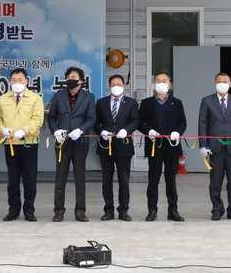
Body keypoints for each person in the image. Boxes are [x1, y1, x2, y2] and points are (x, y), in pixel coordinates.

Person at [0, 68, 45, 221]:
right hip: (10, 143)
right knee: (13, 179)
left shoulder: (35, 98)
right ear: (10, 82)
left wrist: (25, 130)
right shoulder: (3, 99)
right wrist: (2, 129)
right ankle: (13, 210)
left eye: (20, 80)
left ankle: (29, 211)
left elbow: (38, 119)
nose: (17, 83)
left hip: (28, 143)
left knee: (29, 179)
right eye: (14, 80)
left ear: (26, 81)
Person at [46, 66, 96, 222]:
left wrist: (81, 130)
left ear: (81, 80)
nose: (70, 80)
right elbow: (51, 117)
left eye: (73, 77)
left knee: (80, 177)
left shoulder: (89, 97)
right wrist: (55, 131)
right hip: (62, 143)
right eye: (68, 77)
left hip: (80, 141)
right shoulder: (58, 96)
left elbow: (91, 118)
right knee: (60, 177)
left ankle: (80, 210)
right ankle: (59, 211)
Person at [198, 72, 231, 221]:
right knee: (215, 181)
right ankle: (217, 209)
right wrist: (203, 145)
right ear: (215, 84)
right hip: (215, 148)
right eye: (219, 82)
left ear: (230, 84)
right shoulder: (207, 101)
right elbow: (203, 124)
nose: (222, 84)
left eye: (225, 82)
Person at [137, 71, 187, 222]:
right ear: (154, 84)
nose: (161, 83)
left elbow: (182, 122)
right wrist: (148, 131)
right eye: (158, 80)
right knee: (153, 179)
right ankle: (152, 210)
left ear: (169, 84)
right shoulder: (146, 103)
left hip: (171, 146)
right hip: (154, 146)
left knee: (171, 180)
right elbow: (139, 122)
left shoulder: (176, 102)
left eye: (164, 80)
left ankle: (173, 211)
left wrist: (178, 133)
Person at [94, 74, 139, 221]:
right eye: (113, 84)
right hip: (106, 146)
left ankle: (123, 210)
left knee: (123, 179)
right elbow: (95, 122)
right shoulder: (101, 103)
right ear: (109, 86)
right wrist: (101, 132)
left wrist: (126, 131)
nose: (116, 86)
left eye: (118, 84)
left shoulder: (131, 103)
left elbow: (135, 121)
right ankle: (108, 209)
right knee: (106, 179)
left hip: (124, 146)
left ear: (124, 86)